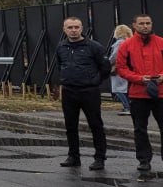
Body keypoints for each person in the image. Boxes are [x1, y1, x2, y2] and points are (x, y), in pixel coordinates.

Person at [53, 16, 110, 170]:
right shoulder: (61, 47)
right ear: (64, 29)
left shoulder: (94, 46)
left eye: (76, 27)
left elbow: (105, 67)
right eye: (70, 27)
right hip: (69, 91)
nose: (73, 30)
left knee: (95, 125)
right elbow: (60, 65)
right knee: (70, 126)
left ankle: (99, 158)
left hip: (89, 91)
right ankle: (73, 156)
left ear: (82, 28)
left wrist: (95, 81)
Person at [115, 14, 163, 172]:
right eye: (141, 23)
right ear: (134, 25)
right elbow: (121, 68)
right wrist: (138, 78)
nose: (145, 26)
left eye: (148, 23)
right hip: (138, 93)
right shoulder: (126, 45)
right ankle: (144, 160)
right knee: (140, 129)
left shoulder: (161, 42)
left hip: (161, 93)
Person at [109, 24, 133, 115]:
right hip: (127, 67)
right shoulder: (130, 41)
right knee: (125, 88)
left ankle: (127, 107)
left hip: (118, 67)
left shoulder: (119, 42)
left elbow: (115, 55)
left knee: (118, 89)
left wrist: (108, 62)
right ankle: (129, 106)